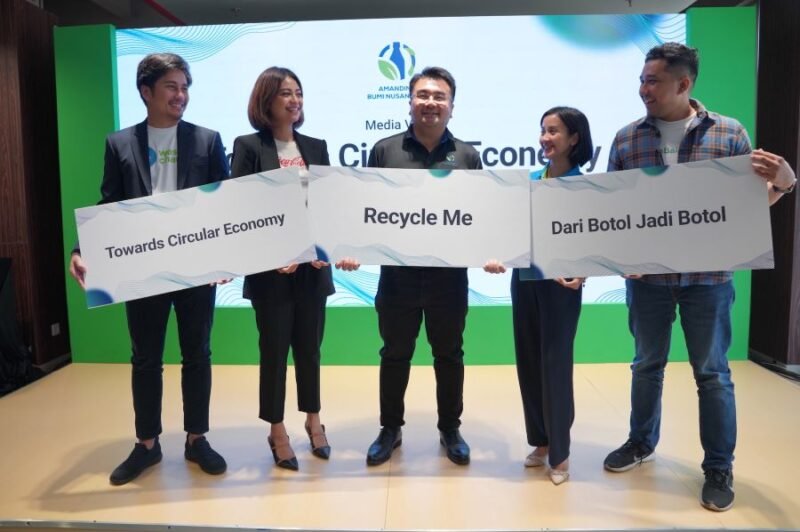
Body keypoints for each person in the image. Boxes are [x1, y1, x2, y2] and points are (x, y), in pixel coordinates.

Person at [602, 42, 797, 511]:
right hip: (647, 281)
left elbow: (746, 209)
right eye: (642, 79)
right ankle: (641, 442)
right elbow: (609, 211)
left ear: (684, 83)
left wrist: (786, 183)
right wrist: (618, 258)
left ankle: (718, 467)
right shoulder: (627, 139)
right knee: (645, 366)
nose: (643, 88)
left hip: (708, 281)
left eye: (653, 80)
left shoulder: (729, 133)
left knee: (712, 374)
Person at [69, 53, 230, 485]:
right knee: (145, 358)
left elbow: (225, 204)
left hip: (196, 266)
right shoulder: (119, 143)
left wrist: (228, 256)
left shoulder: (207, 140)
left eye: (185, 87)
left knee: (197, 354)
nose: (181, 95)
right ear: (146, 91)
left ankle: (197, 438)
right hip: (141, 266)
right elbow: (108, 204)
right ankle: (147, 444)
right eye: (171, 86)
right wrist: (81, 249)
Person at [337, 66, 482, 466]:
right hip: (397, 278)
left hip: (448, 279)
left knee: (449, 355)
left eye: (439, 96)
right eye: (423, 95)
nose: (430, 103)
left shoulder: (467, 156)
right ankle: (390, 429)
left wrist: (490, 250)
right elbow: (365, 208)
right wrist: (352, 247)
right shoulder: (384, 151)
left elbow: (479, 215)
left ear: (452, 106)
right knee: (394, 354)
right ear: (410, 101)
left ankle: (450, 429)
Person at [230, 67, 333, 471]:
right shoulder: (249, 147)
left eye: (298, 92)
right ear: (266, 99)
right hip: (270, 273)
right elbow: (242, 209)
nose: (295, 100)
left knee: (310, 350)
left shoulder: (316, 146)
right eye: (286, 93)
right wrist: (274, 252)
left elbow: (329, 206)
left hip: (312, 270)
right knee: (274, 353)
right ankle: (276, 429)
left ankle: (313, 419)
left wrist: (321, 248)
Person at [484, 106, 593, 485]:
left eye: (554, 131)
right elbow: (508, 229)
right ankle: (541, 442)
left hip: (561, 288)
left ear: (574, 138)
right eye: (543, 130)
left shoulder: (585, 187)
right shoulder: (527, 181)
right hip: (524, 281)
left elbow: (595, 238)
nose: (545, 138)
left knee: (555, 366)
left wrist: (583, 272)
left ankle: (560, 455)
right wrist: (497, 256)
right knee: (529, 363)